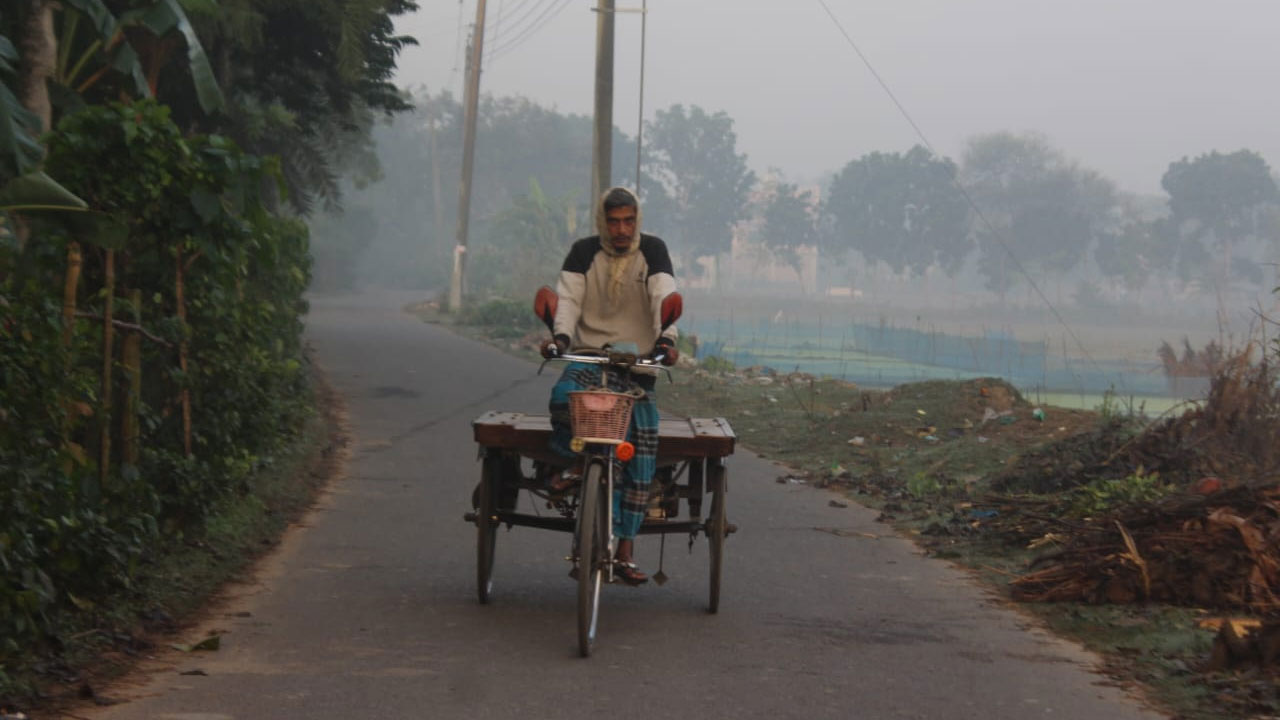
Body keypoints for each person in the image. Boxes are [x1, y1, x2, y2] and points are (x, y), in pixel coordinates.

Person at [540, 186, 678, 586]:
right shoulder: (583, 252)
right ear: (603, 221)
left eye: (629, 220)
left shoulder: (653, 251)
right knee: (562, 401)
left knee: (642, 451)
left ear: (638, 220)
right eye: (614, 221)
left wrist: (666, 341)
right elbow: (566, 301)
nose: (622, 229)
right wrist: (560, 339)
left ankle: (626, 551)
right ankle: (579, 460)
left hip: (637, 367)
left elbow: (663, 297)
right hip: (589, 358)